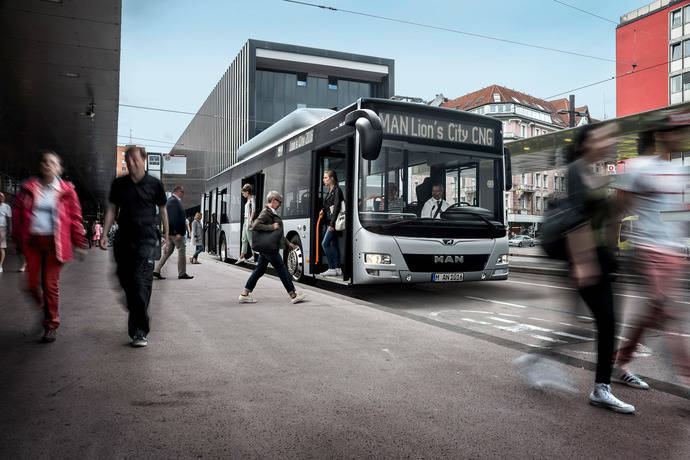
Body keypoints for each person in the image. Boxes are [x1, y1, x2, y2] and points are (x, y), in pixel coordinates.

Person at [612, 117, 690, 389]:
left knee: (651, 313)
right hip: (646, 249)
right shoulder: (637, 167)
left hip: (672, 254)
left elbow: (672, 216)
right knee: (668, 311)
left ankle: (620, 360)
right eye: (677, 131)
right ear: (662, 135)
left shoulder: (679, 173)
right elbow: (619, 208)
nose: (682, 136)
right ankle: (686, 377)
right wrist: (612, 248)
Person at [565, 124, 634, 413]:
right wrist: (583, 263)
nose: (604, 142)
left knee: (605, 322)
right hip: (586, 259)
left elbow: (609, 217)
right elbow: (576, 217)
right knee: (604, 321)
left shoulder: (596, 172)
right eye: (597, 137)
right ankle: (600, 388)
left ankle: (601, 386)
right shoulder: (576, 170)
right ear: (583, 144)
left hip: (601, 258)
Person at [12, 150, 87, 343]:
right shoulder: (28, 188)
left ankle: (51, 324)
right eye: (45, 161)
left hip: (56, 245)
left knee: (49, 285)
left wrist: (79, 243)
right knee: (29, 285)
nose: (48, 165)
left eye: (52, 162)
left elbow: (75, 218)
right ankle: (45, 310)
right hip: (33, 243)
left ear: (58, 168)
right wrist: (17, 238)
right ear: (40, 165)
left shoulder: (67, 191)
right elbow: (18, 214)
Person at [101, 145, 169, 347]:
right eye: (127, 159)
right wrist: (104, 234)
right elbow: (112, 209)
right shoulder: (119, 184)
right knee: (126, 282)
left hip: (147, 239)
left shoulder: (154, 184)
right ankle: (135, 307)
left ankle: (140, 331)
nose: (130, 163)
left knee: (142, 283)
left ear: (144, 160)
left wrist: (166, 235)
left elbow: (163, 211)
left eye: (134, 159)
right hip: (124, 240)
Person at [239, 191, 305, 304]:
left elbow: (277, 233)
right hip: (269, 248)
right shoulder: (266, 212)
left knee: (259, 270)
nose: (280, 204)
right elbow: (256, 225)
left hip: (266, 248)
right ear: (273, 201)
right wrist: (271, 226)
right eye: (279, 202)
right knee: (282, 269)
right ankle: (293, 294)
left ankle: (245, 293)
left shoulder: (272, 212)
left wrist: (288, 243)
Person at [153, 185, 193, 280]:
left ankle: (156, 270)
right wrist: (177, 232)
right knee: (181, 249)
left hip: (171, 233)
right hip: (175, 233)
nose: (183, 194)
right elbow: (174, 218)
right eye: (182, 192)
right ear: (178, 192)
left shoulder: (170, 201)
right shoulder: (174, 202)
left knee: (168, 252)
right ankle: (182, 273)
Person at [319, 169, 344, 277]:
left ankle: (331, 268)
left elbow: (337, 206)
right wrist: (323, 210)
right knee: (334, 244)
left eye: (325, 178)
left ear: (332, 178)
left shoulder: (337, 190)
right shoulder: (331, 190)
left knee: (324, 244)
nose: (323, 180)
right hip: (330, 221)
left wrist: (332, 224)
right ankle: (338, 268)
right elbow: (328, 206)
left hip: (333, 223)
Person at [236, 183, 256, 264]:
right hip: (245, 220)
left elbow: (253, 211)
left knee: (250, 239)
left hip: (249, 220)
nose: (243, 195)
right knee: (244, 239)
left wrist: (250, 220)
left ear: (247, 192)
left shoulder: (252, 199)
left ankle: (255, 256)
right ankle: (242, 257)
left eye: (243, 193)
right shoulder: (248, 200)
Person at [0, 192, 11, 273]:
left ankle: (0, 266)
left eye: (1, 196)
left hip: (2, 228)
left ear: (4, 198)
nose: (0, 198)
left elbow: (9, 219)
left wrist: (9, 230)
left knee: (1, 247)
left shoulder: (7, 207)